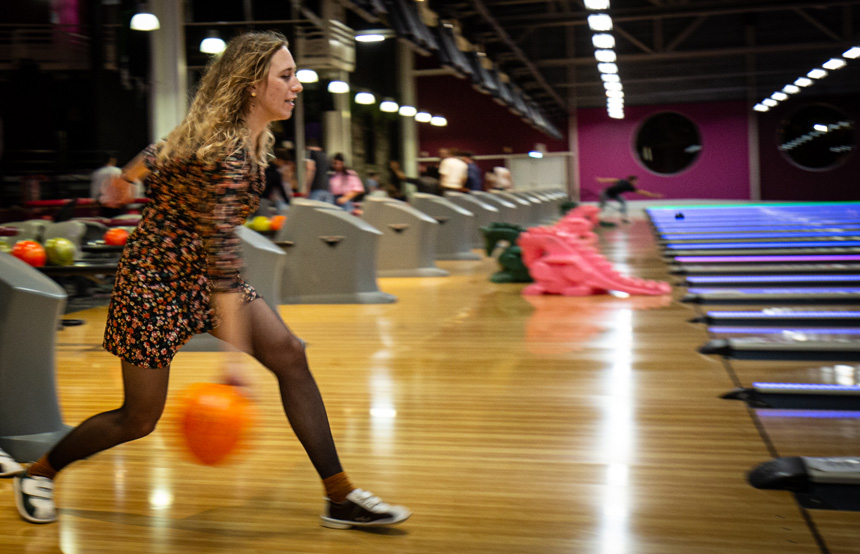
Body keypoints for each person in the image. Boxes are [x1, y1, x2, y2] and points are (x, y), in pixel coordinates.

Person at [12, 31, 410, 530]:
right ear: (250, 85)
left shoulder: (227, 134)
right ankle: (41, 472)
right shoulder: (228, 155)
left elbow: (158, 152)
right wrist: (233, 363)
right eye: (286, 76)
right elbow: (223, 262)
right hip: (154, 283)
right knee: (138, 418)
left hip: (196, 276)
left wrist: (124, 180)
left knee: (290, 354)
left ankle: (340, 495)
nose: (297, 86)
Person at [596, 175, 663, 222]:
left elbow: (642, 192)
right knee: (602, 206)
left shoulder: (627, 185)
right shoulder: (626, 184)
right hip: (605, 193)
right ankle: (595, 216)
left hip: (614, 194)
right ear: (632, 180)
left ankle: (624, 217)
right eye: (635, 181)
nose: (636, 183)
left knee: (623, 202)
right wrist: (602, 180)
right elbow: (612, 179)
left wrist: (653, 195)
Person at [262, 147, 292, 212]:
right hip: (263, 199)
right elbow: (281, 189)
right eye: (284, 162)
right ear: (278, 159)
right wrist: (288, 202)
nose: (283, 164)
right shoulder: (274, 173)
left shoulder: (264, 168)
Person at [304, 138, 333, 203]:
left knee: (314, 212)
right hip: (326, 189)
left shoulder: (310, 153)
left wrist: (307, 188)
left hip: (315, 189)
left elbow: (310, 168)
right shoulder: (325, 156)